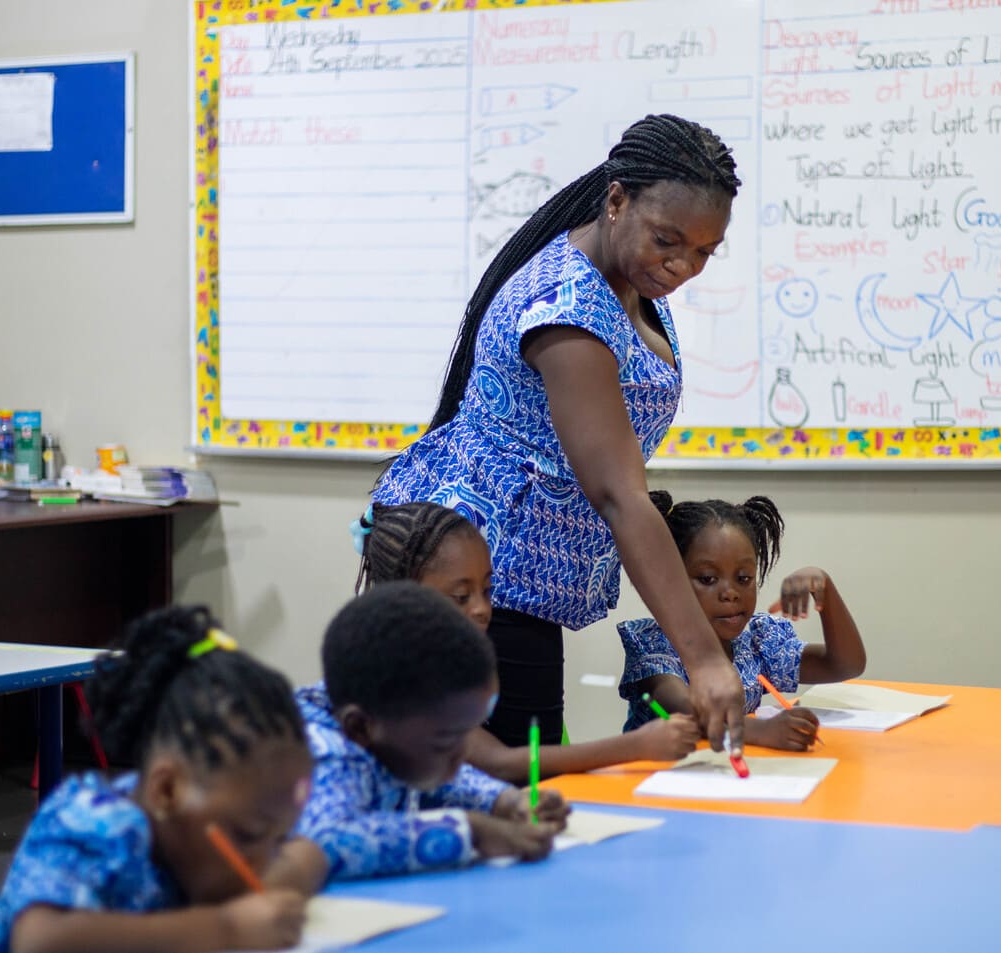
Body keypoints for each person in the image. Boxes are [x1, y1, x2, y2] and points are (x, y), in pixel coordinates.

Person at [371, 113, 747, 755]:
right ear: (616, 200)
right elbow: (617, 493)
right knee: (511, 781)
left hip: (518, 575)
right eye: (668, 240)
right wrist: (707, 663)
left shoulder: (627, 281)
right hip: (481, 575)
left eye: (704, 252)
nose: (683, 265)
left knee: (526, 772)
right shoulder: (569, 309)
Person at [0, 607, 313, 953]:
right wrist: (225, 928)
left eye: (280, 840)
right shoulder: (93, 826)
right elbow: (39, 942)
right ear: (167, 791)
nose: (264, 866)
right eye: (247, 836)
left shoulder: (193, 842)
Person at [353, 501, 699, 783]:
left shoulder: (459, 668)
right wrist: (637, 745)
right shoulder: (405, 687)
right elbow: (501, 763)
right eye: (460, 596)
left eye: (488, 591)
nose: (482, 609)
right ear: (402, 599)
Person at [272, 582, 569, 893]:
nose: (462, 755)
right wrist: (470, 831)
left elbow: (438, 778)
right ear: (359, 729)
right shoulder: (326, 752)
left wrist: (503, 801)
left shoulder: (387, 727)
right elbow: (324, 840)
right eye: (445, 742)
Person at [619, 492, 867, 752]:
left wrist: (824, 589)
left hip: (736, 778)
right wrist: (762, 731)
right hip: (658, 781)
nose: (731, 593)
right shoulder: (654, 643)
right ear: (669, 580)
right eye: (707, 578)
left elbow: (844, 665)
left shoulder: (756, 641)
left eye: (744, 578)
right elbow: (686, 710)